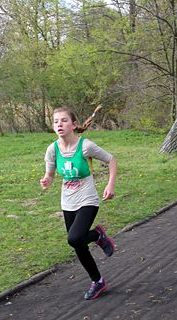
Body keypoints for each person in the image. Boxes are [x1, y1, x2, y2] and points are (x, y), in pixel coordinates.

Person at [40, 107, 118, 300]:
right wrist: (46, 181)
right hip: (68, 202)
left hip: (87, 199)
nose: (59, 124)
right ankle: (98, 281)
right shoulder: (52, 150)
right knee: (78, 245)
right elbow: (49, 175)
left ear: (74, 125)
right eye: (56, 121)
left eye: (64, 120)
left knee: (74, 238)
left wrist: (110, 184)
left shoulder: (85, 146)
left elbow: (111, 160)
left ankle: (98, 234)